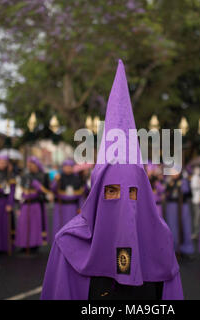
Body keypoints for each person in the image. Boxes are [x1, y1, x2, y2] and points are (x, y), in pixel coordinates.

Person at [41, 60, 183, 300]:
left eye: (133, 193)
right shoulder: (68, 243)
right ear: (97, 194)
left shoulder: (161, 240)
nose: (123, 203)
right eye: (112, 192)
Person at [15, 156, 50, 251]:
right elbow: (20, 191)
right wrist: (19, 204)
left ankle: (34, 244)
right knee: (24, 224)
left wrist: (38, 188)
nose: (30, 166)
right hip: (25, 204)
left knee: (35, 225)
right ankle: (24, 244)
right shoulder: (25, 176)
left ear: (37, 164)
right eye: (28, 164)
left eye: (32, 164)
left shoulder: (43, 176)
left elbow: (47, 192)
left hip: (37, 204)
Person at [50, 159, 85, 241]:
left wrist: (80, 207)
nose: (67, 168)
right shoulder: (59, 177)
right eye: (65, 167)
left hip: (72, 207)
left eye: (69, 167)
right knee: (59, 226)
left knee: (71, 227)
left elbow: (81, 195)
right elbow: (53, 189)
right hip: (60, 207)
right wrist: (56, 180)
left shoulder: (77, 179)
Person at [164, 167, 195, 257]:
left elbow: (188, 193)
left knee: (185, 226)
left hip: (183, 206)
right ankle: (174, 249)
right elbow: (166, 193)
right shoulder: (169, 181)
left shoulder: (184, 180)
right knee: (172, 227)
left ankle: (186, 249)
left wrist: (184, 185)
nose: (174, 174)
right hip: (172, 206)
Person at [190, 165, 200, 239]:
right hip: (196, 201)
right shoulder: (194, 178)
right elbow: (194, 186)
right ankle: (196, 233)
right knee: (196, 218)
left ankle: (199, 232)